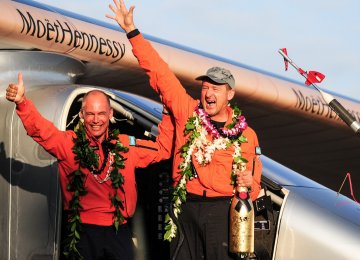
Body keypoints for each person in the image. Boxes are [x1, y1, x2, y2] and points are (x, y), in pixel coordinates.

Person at [106, 1, 263, 259]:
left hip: (222, 213)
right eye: (205, 87)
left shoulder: (246, 135)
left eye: (216, 88)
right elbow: (159, 73)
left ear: (230, 94)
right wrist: (132, 31)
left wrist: (248, 184)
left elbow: (253, 185)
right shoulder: (186, 111)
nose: (208, 93)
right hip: (184, 207)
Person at [5, 72, 174, 260]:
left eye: (101, 113)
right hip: (82, 234)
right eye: (90, 114)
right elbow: (41, 130)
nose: (96, 120)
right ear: (82, 114)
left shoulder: (125, 145)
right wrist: (22, 102)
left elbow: (163, 149)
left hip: (118, 233)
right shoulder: (69, 144)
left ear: (110, 114)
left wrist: (166, 113)